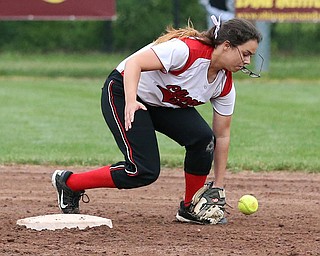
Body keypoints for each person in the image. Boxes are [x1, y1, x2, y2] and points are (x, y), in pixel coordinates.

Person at [52, 15, 262, 225]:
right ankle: (70, 182)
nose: (247, 61)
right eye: (245, 54)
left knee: (203, 139)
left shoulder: (224, 85)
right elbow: (134, 63)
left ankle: (190, 207)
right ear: (226, 46)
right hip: (124, 91)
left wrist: (219, 184)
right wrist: (131, 101)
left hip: (163, 104)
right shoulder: (186, 51)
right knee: (143, 170)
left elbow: (222, 136)